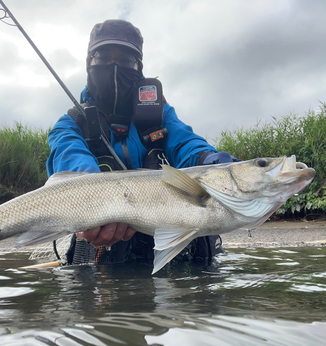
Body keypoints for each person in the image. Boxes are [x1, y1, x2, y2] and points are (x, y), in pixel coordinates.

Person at [46, 19, 238, 267]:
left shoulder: (161, 114)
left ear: (139, 67)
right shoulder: (71, 122)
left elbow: (185, 142)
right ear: (89, 63)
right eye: (103, 57)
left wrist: (210, 160)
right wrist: (96, 201)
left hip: (175, 243)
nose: (114, 66)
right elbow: (67, 155)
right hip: (102, 245)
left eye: (125, 60)